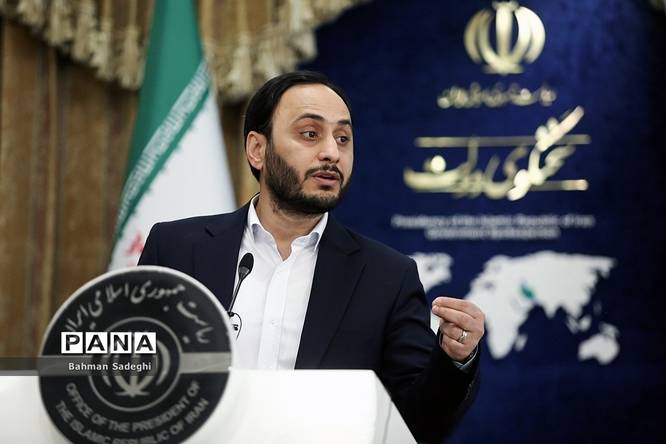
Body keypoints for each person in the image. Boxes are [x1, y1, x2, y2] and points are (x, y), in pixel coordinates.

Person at [139, 71, 485, 443]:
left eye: (343, 138)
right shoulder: (176, 248)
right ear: (257, 149)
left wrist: (455, 359)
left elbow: (415, 422)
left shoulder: (387, 277)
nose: (332, 153)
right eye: (310, 134)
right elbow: (125, 369)